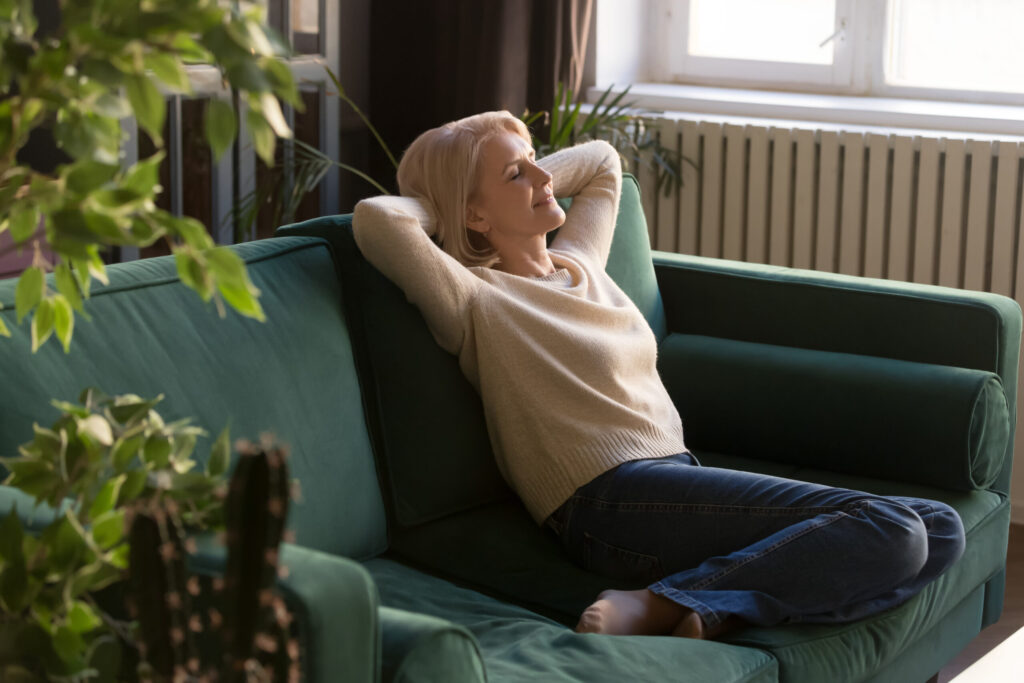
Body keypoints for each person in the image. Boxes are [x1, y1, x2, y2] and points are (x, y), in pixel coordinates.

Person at [352, 111, 966, 639]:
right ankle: (666, 603)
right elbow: (378, 219)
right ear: (474, 215)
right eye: (518, 175)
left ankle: (711, 604)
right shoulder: (474, 299)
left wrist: (513, 168)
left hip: (673, 478)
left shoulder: (581, 262)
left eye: (538, 162)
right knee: (892, 528)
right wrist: (451, 202)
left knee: (939, 527)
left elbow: (602, 161)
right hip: (603, 502)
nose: (544, 180)